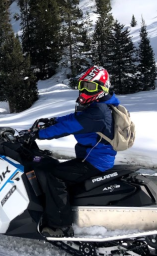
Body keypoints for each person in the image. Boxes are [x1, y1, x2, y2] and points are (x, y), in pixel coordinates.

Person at [28, 65, 120, 238]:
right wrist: (52, 120)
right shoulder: (98, 106)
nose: (85, 90)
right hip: (93, 158)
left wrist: (39, 134)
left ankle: (60, 226)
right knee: (54, 167)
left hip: (94, 162)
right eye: (82, 85)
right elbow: (73, 118)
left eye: (90, 87)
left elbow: (69, 126)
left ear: (103, 87)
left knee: (55, 175)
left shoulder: (98, 111)